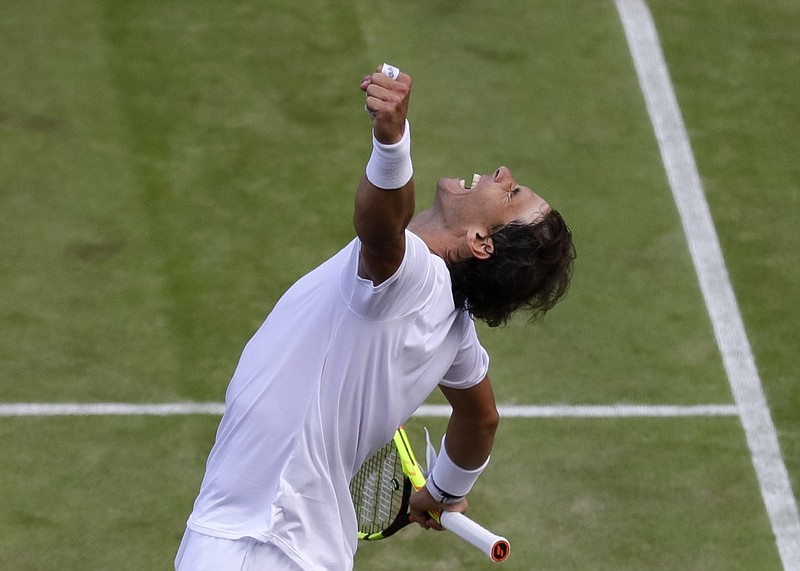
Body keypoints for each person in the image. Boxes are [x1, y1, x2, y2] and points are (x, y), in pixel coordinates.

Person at [175, 64, 574, 571]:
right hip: (293, 551)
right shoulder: (454, 331)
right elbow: (479, 418)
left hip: (257, 544)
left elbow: (381, 230)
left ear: (481, 242)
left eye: (512, 194)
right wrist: (445, 490)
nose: (503, 174)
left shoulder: (415, 276)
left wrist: (392, 143)